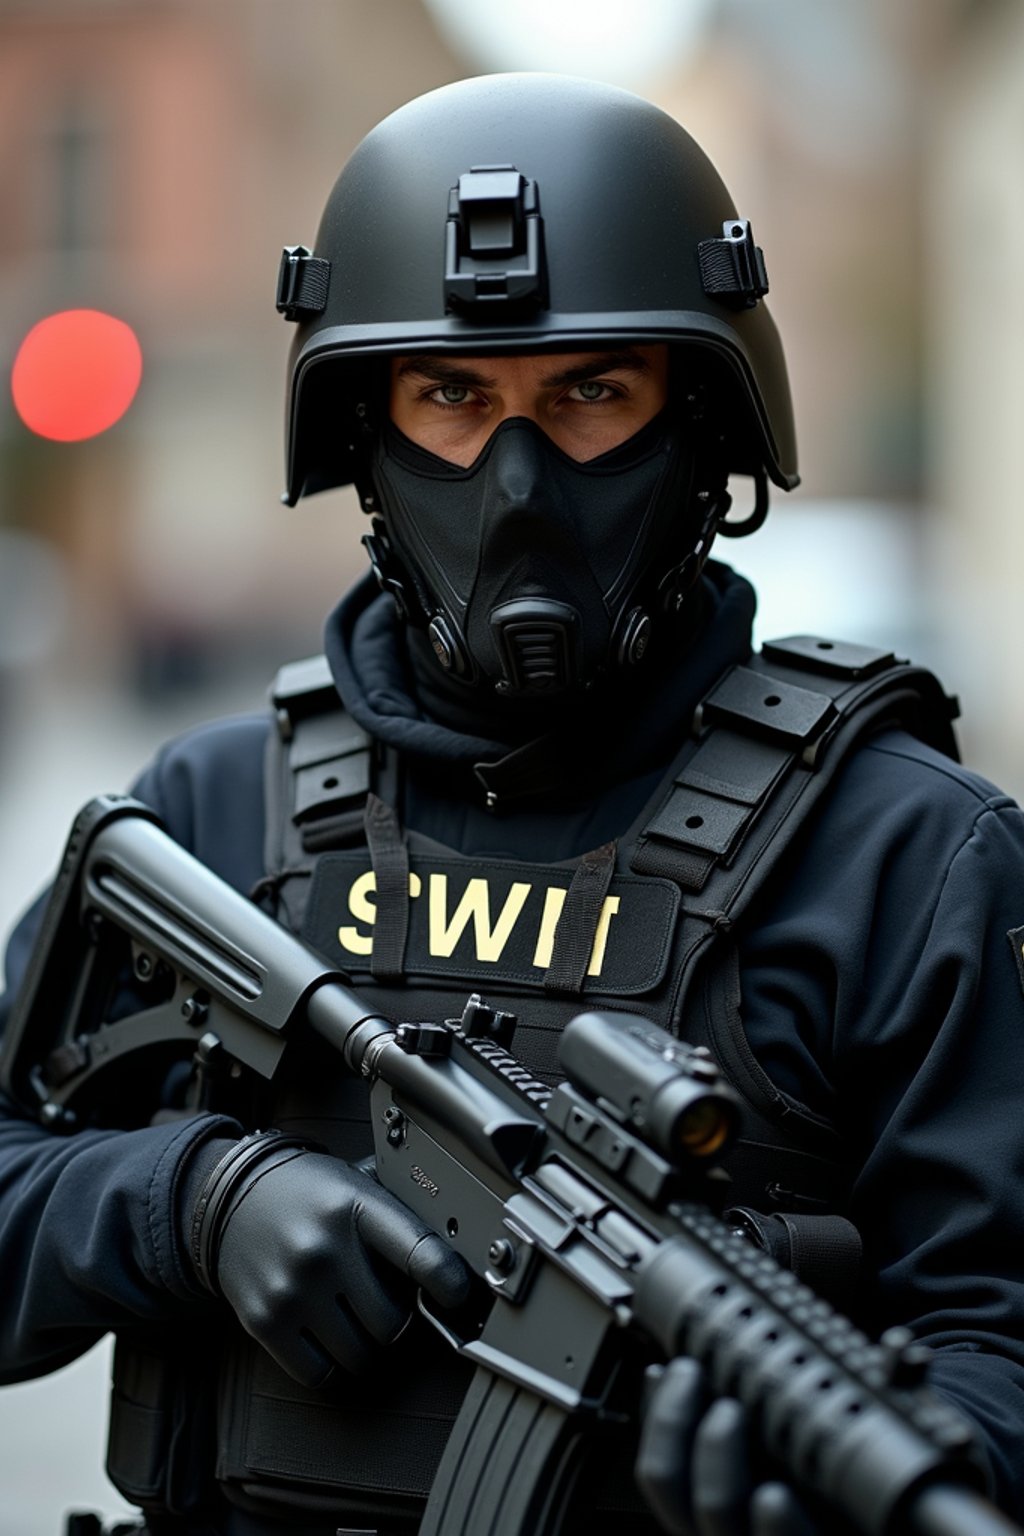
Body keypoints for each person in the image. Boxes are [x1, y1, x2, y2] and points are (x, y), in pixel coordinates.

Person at [2, 71, 1024, 1536]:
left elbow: (998, 1341)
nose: (520, 482)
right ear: (369, 429)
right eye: (454, 398)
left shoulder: (911, 860)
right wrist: (191, 1201)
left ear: (703, 424)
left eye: (593, 393)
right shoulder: (214, 818)